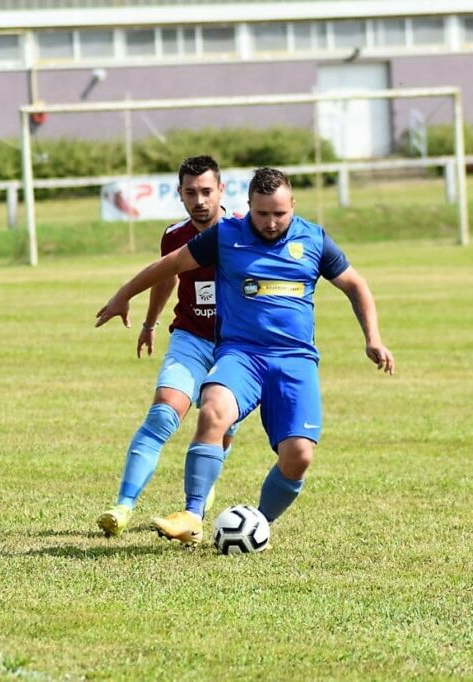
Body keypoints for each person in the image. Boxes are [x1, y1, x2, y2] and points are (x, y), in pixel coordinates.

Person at [95, 167, 394, 547]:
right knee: (213, 410)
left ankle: (258, 524)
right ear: (248, 205)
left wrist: (373, 338)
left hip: (295, 361)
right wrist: (124, 295)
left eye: (279, 214)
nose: (271, 223)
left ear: (293, 206)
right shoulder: (225, 237)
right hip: (242, 355)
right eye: (262, 213)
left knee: (299, 456)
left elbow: (355, 284)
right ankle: (192, 513)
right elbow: (169, 265)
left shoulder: (314, 239)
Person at [96, 155, 241, 537]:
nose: (200, 201)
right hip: (190, 337)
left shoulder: (245, 231)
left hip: (237, 347)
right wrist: (150, 322)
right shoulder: (175, 235)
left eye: (207, 191)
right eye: (191, 192)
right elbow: (167, 276)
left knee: (218, 425)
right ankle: (122, 507)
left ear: (221, 191)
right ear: (179, 194)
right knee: (163, 413)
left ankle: (198, 498)